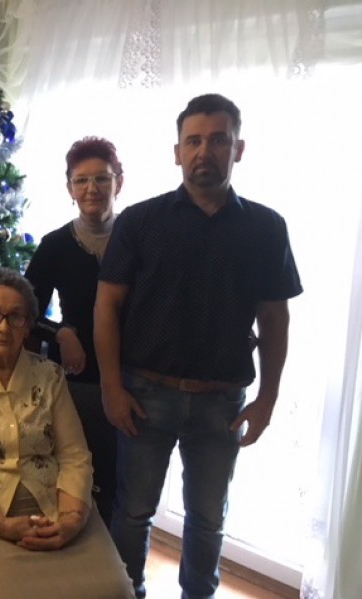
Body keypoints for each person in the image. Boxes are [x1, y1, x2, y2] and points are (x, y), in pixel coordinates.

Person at [95, 93, 302, 599]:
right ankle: (127, 593)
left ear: (239, 149)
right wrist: (112, 388)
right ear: (177, 152)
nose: (203, 151)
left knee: (208, 521)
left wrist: (268, 398)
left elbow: (275, 319)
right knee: (133, 513)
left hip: (221, 403)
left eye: (217, 140)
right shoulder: (140, 222)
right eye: (193, 141)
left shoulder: (266, 228)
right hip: (144, 396)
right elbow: (107, 307)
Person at [0, 268, 134, 599]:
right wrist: (0, 525)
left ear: (28, 325)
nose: (3, 327)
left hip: (53, 506)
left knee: (115, 591)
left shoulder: (49, 376)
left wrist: (71, 520)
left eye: (15, 317)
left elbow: (74, 454)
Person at [24, 136, 123, 526]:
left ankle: (119, 563)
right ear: (69, 188)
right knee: (81, 479)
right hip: (79, 382)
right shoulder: (55, 246)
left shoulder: (137, 238)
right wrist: (61, 332)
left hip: (135, 379)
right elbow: (25, 310)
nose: (91, 188)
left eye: (102, 178)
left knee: (125, 490)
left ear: (118, 182)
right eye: (81, 180)